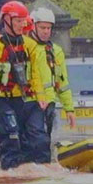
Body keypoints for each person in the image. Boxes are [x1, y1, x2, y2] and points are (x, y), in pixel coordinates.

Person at [0, 0, 50, 170]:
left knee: (37, 139)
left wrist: (41, 96)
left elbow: (35, 74)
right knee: (11, 135)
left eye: (24, 21)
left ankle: (32, 173)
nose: (22, 25)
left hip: (22, 99)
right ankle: (7, 176)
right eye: (18, 21)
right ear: (6, 20)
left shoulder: (29, 45)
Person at [29, 8, 75, 155]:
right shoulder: (27, 48)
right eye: (42, 27)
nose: (46, 31)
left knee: (45, 140)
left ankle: (43, 170)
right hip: (30, 102)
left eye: (49, 28)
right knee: (35, 141)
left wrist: (69, 108)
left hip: (49, 103)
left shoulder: (56, 51)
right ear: (33, 26)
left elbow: (62, 82)